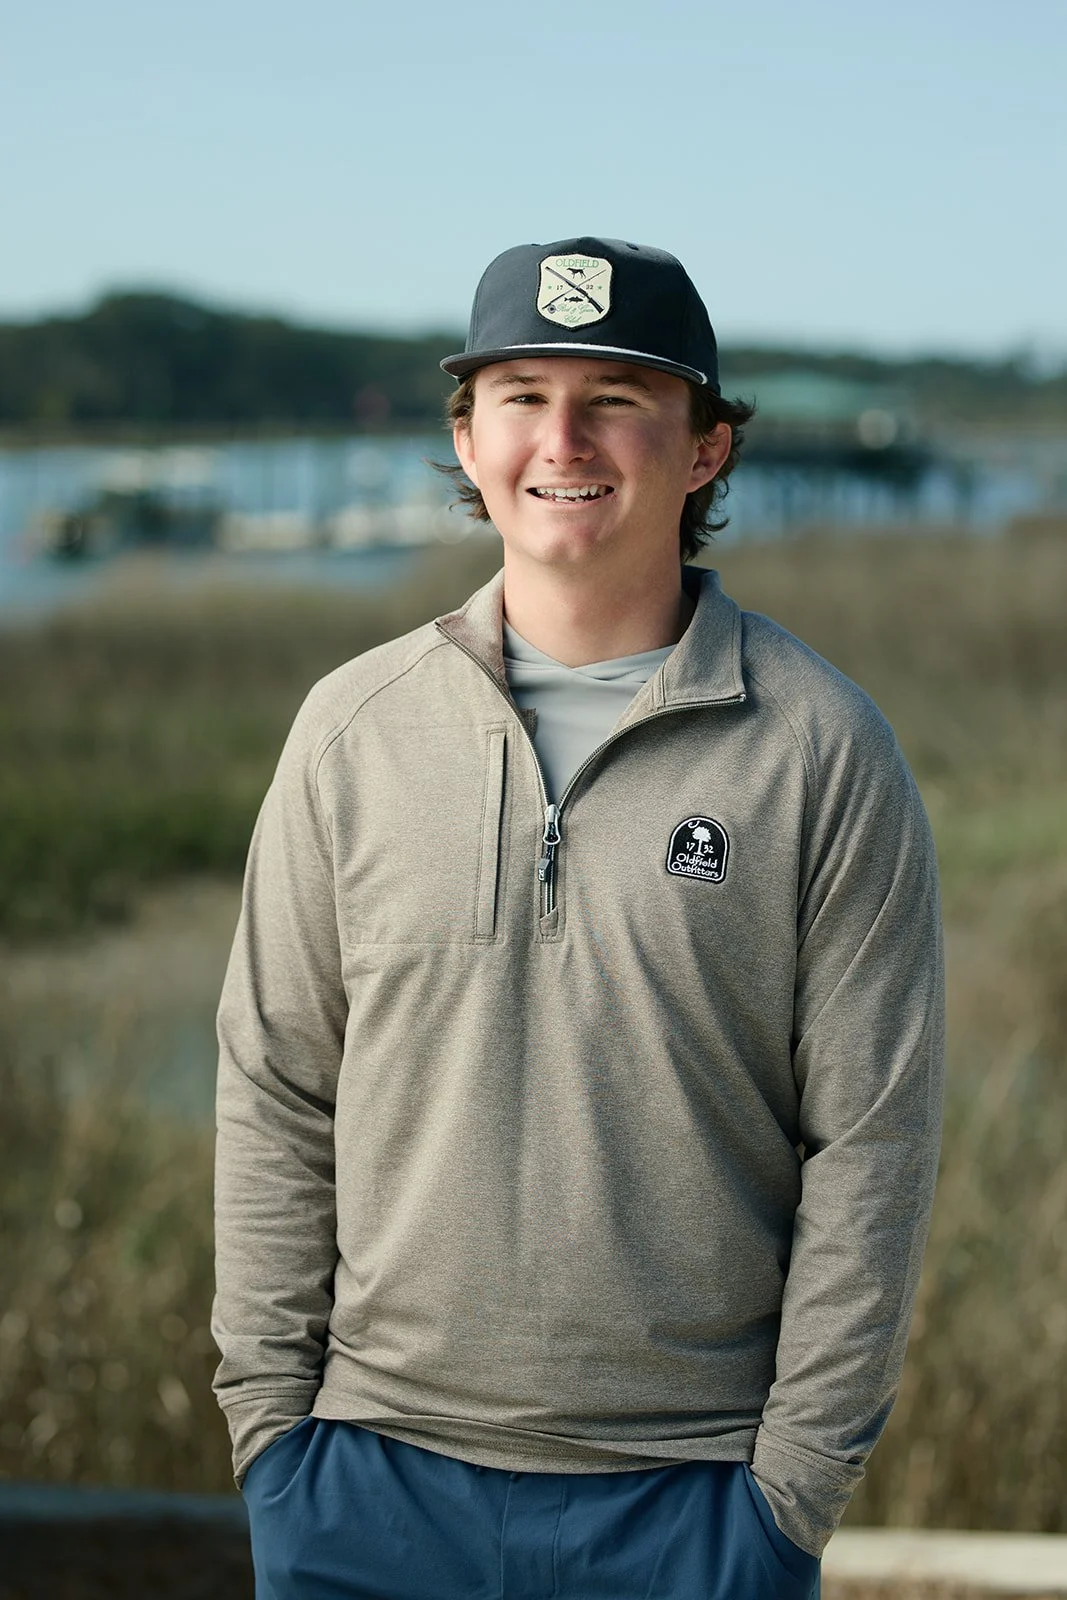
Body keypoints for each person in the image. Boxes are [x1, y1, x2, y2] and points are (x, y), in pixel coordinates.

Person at [212, 236, 945, 1600]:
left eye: (615, 395)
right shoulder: (350, 735)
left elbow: (871, 1140)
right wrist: (272, 1433)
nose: (564, 436)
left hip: (694, 1502)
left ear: (706, 448)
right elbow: (276, 1091)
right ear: (468, 435)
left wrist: (789, 1491)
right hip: (365, 1486)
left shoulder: (820, 749)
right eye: (522, 393)